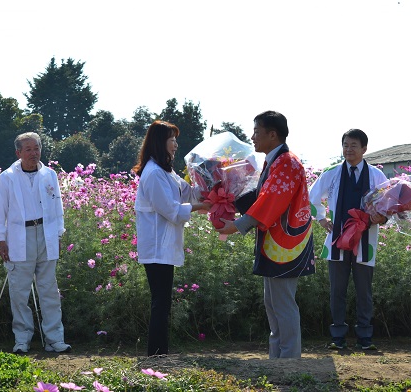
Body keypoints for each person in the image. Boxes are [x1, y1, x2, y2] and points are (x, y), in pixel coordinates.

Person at [217, 110, 315, 359]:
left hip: (285, 243)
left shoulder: (287, 162)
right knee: (273, 304)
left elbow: (273, 200)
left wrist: (238, 224)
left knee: (282, 304)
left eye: (257, 132)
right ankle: (278, 358)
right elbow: (262, 198)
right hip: (277, 243)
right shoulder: (275, 161)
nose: (252, 137)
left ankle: (288, 359)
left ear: (273, 134)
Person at [132, 120, 211, 356]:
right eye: (172, 139)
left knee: (163, 301)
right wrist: (201, 206)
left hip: (164, 244)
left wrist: (208, 176)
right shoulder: (154, 173)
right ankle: (156, 354)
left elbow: (188, 192)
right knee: (160, 302)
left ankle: (159, 352)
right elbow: (171, 209)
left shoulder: (166, 171)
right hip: (157, 245)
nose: (176, 144)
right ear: (160, 142)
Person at [0, 132, 71, 354]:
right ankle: (22, 339)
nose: (34, 153)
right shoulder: (7, 177)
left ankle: (54, 339)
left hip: (46, 234)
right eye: (29, 149)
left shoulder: (50, 175)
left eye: (37, 148)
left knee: (49, 291)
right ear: (18, 153)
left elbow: (58, 207)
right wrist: (1, 240)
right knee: (19, 291)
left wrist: (58, 235)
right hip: (19, 237)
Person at [309, 129, 387, 350]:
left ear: (364, 149)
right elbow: (312, 198)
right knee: (337, 290)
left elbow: (388, 204)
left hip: (365, 239)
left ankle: (365, 337)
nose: (348, 149)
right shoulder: (332, 173)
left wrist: (381, 217)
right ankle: (338, 337)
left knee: (364, 290)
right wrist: (322, 219)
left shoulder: (376, 176)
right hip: (336, 239)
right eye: (345, 145)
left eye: (354, 145)